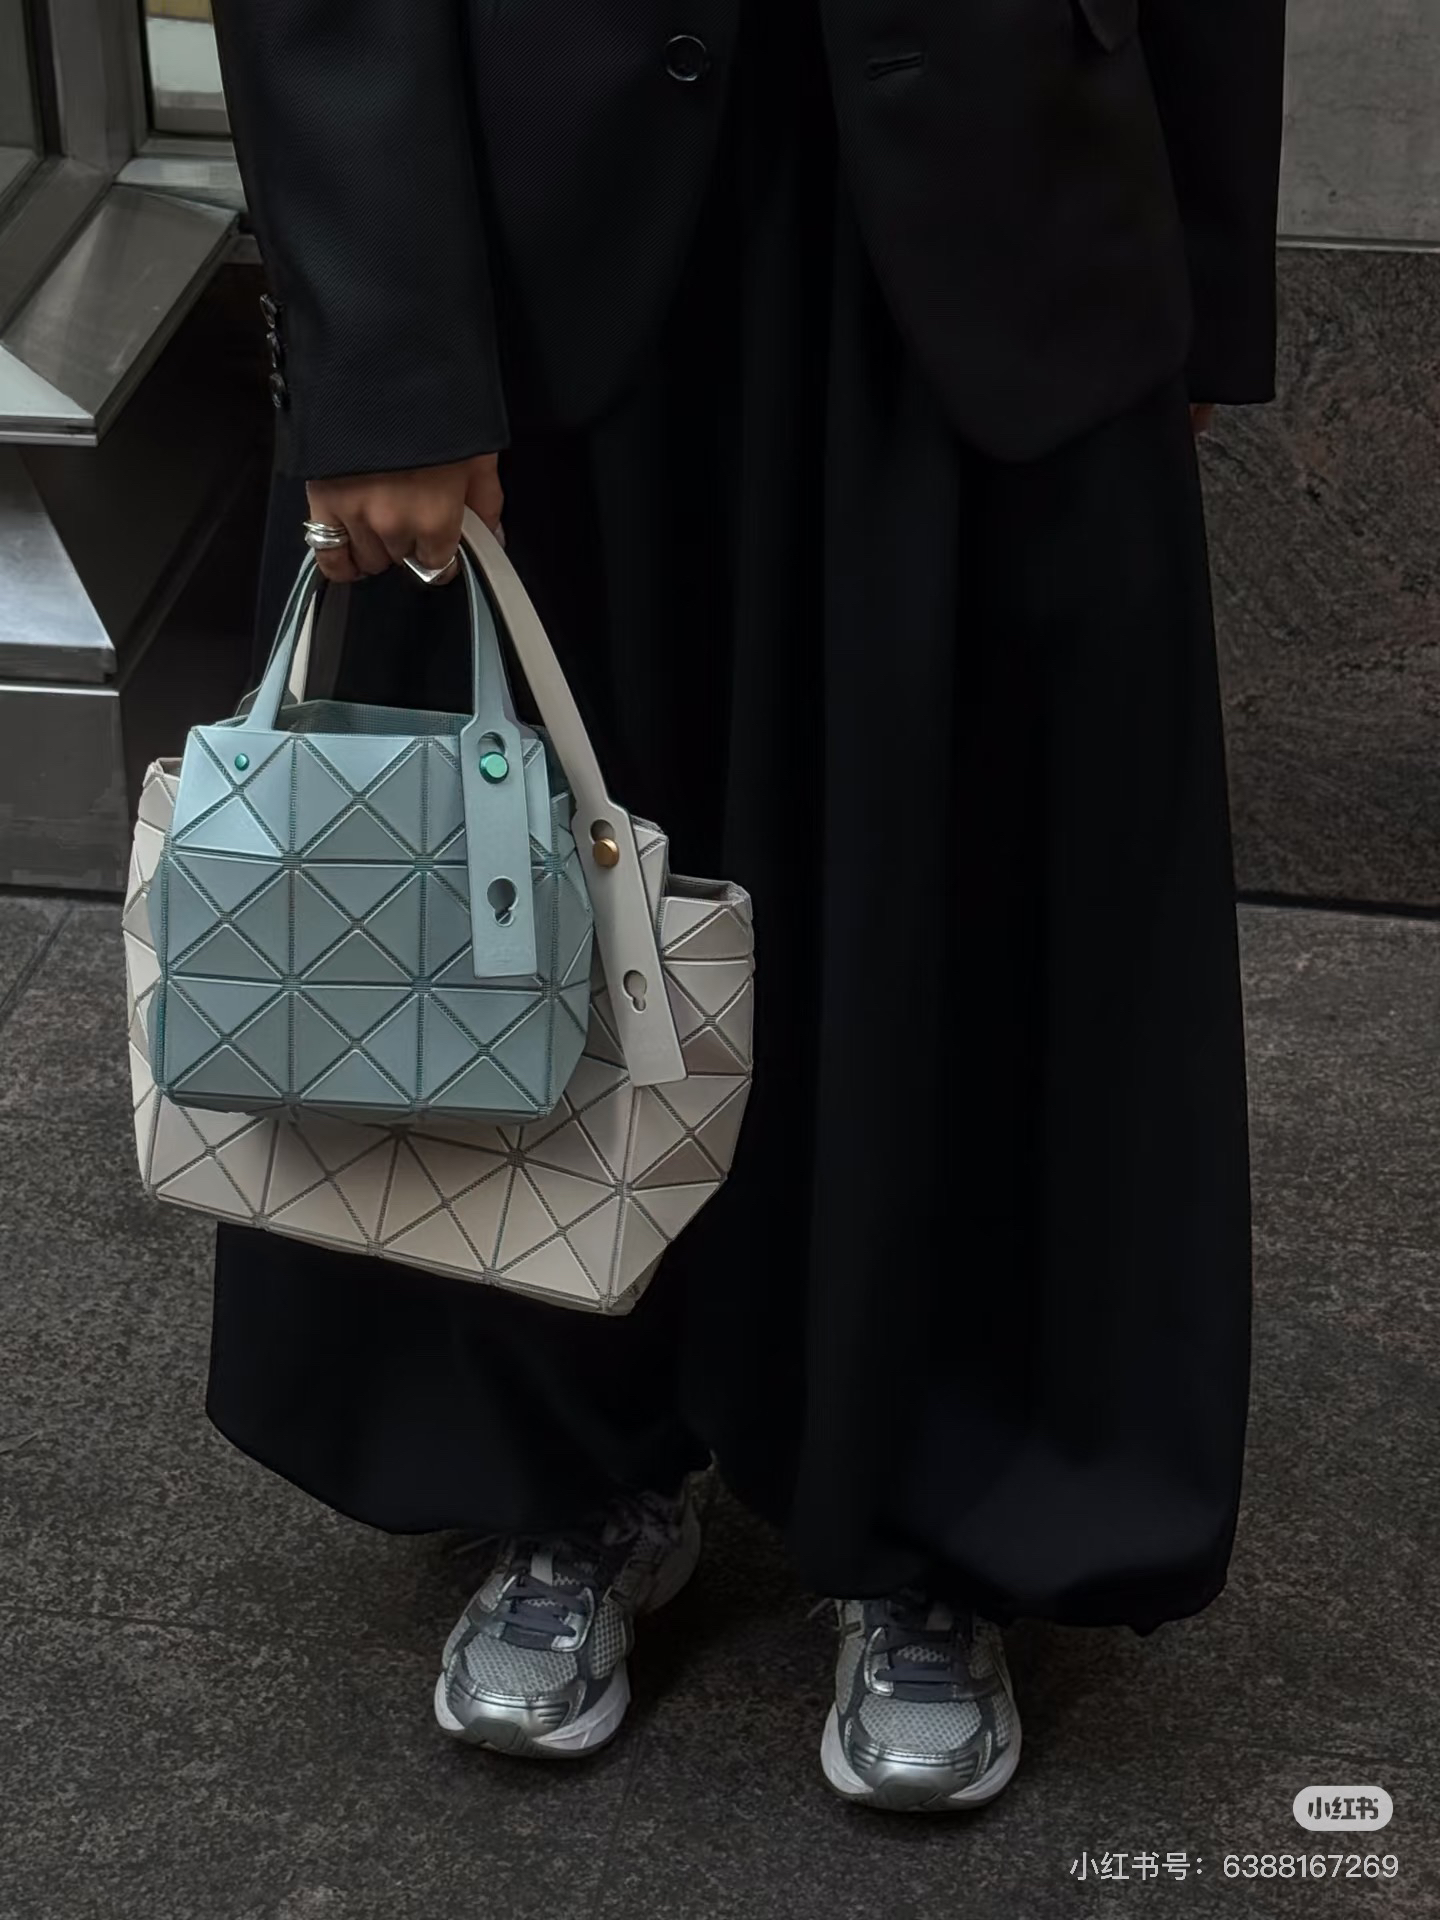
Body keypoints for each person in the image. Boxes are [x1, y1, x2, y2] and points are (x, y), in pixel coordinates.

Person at [206, 0, 1285, 1811]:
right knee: (527, 874)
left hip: (1004, 170)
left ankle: (941, 1503)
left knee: (971, 868)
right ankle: (563, 1468)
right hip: (537, 205)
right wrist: (379, 345)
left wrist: (1201, 270)